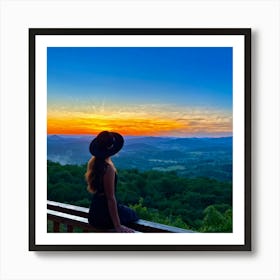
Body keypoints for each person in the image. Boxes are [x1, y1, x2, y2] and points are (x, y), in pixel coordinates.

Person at [85, 131, 139, 233]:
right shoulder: (107, 168)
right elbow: (110, 198)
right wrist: (118, 226)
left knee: (126, 211)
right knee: (133, 214)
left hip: (94, 213)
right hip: (104, 215)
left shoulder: (95, 164)